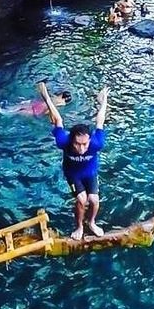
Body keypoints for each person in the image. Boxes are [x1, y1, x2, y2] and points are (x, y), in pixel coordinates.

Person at [38, 80, 109, 241]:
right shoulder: (64, 141)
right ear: (72, 140)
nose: (82, 149)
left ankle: (91, 223)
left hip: (90, 173)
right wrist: (46, 97)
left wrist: (103, 100)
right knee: (81, 199)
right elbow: (58, 120)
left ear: (90, 141)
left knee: (94, 200)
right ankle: (79, 226)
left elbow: (100, 120)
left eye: (85, 144)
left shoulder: (97, 143)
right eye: (77, 144)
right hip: (73, 175)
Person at [0, 91, 72, 116]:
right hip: (40, 110)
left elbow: (44, 95)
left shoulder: (55, 96)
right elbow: (51, 110)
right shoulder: (62, 104)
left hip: (37, 103)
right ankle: (1, 112)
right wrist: (43, 114)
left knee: (16, 107)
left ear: (62, 94)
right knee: (18, 112)